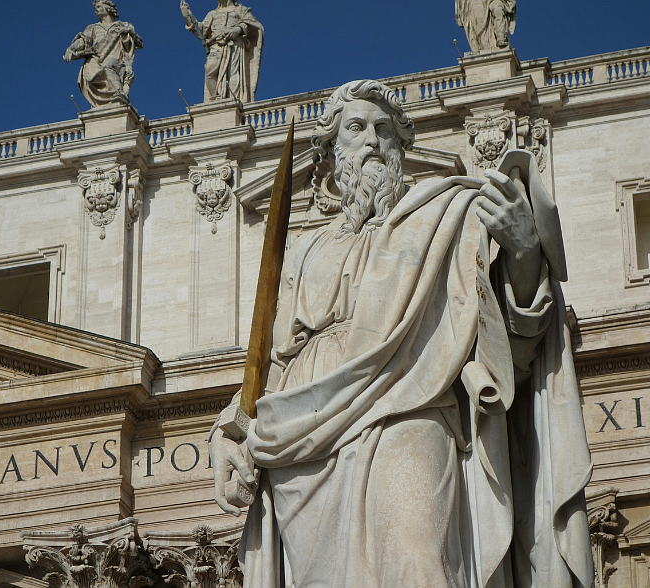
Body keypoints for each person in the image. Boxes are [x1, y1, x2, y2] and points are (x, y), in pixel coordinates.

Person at [208, 80, 593, 588]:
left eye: (383, 129)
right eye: (356, 127)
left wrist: (523, 254)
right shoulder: (303, 252)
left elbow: (509, 347)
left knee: (420, 561)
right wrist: (227, 433)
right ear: (330, 150)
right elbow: (274, 366)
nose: (371, 139)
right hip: (305, 440)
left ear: (400, 148)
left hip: (412, 406)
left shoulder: (441, 221)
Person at [180, 0, 263, 103]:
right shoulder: (212, 13)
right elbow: (200, 31)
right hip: (216, 45)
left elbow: (251, 23)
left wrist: (238, 29)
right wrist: (187, 15)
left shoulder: (241, 9)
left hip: (235, 45)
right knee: (209, 70)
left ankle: (233, 101)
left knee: (234, 73)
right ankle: (215, 98)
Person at [63, 0, 142, 107]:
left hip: (115, 57)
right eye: (96, 8)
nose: (96, 10)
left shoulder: (122, 25)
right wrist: (71, 48)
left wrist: (128, 33)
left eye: (99, 7)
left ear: (108, 8)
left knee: (108, 66)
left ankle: (120, 93)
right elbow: (83, 41)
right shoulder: (93, 27)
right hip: (95, 58)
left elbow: (138, 43)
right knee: (91, 75)